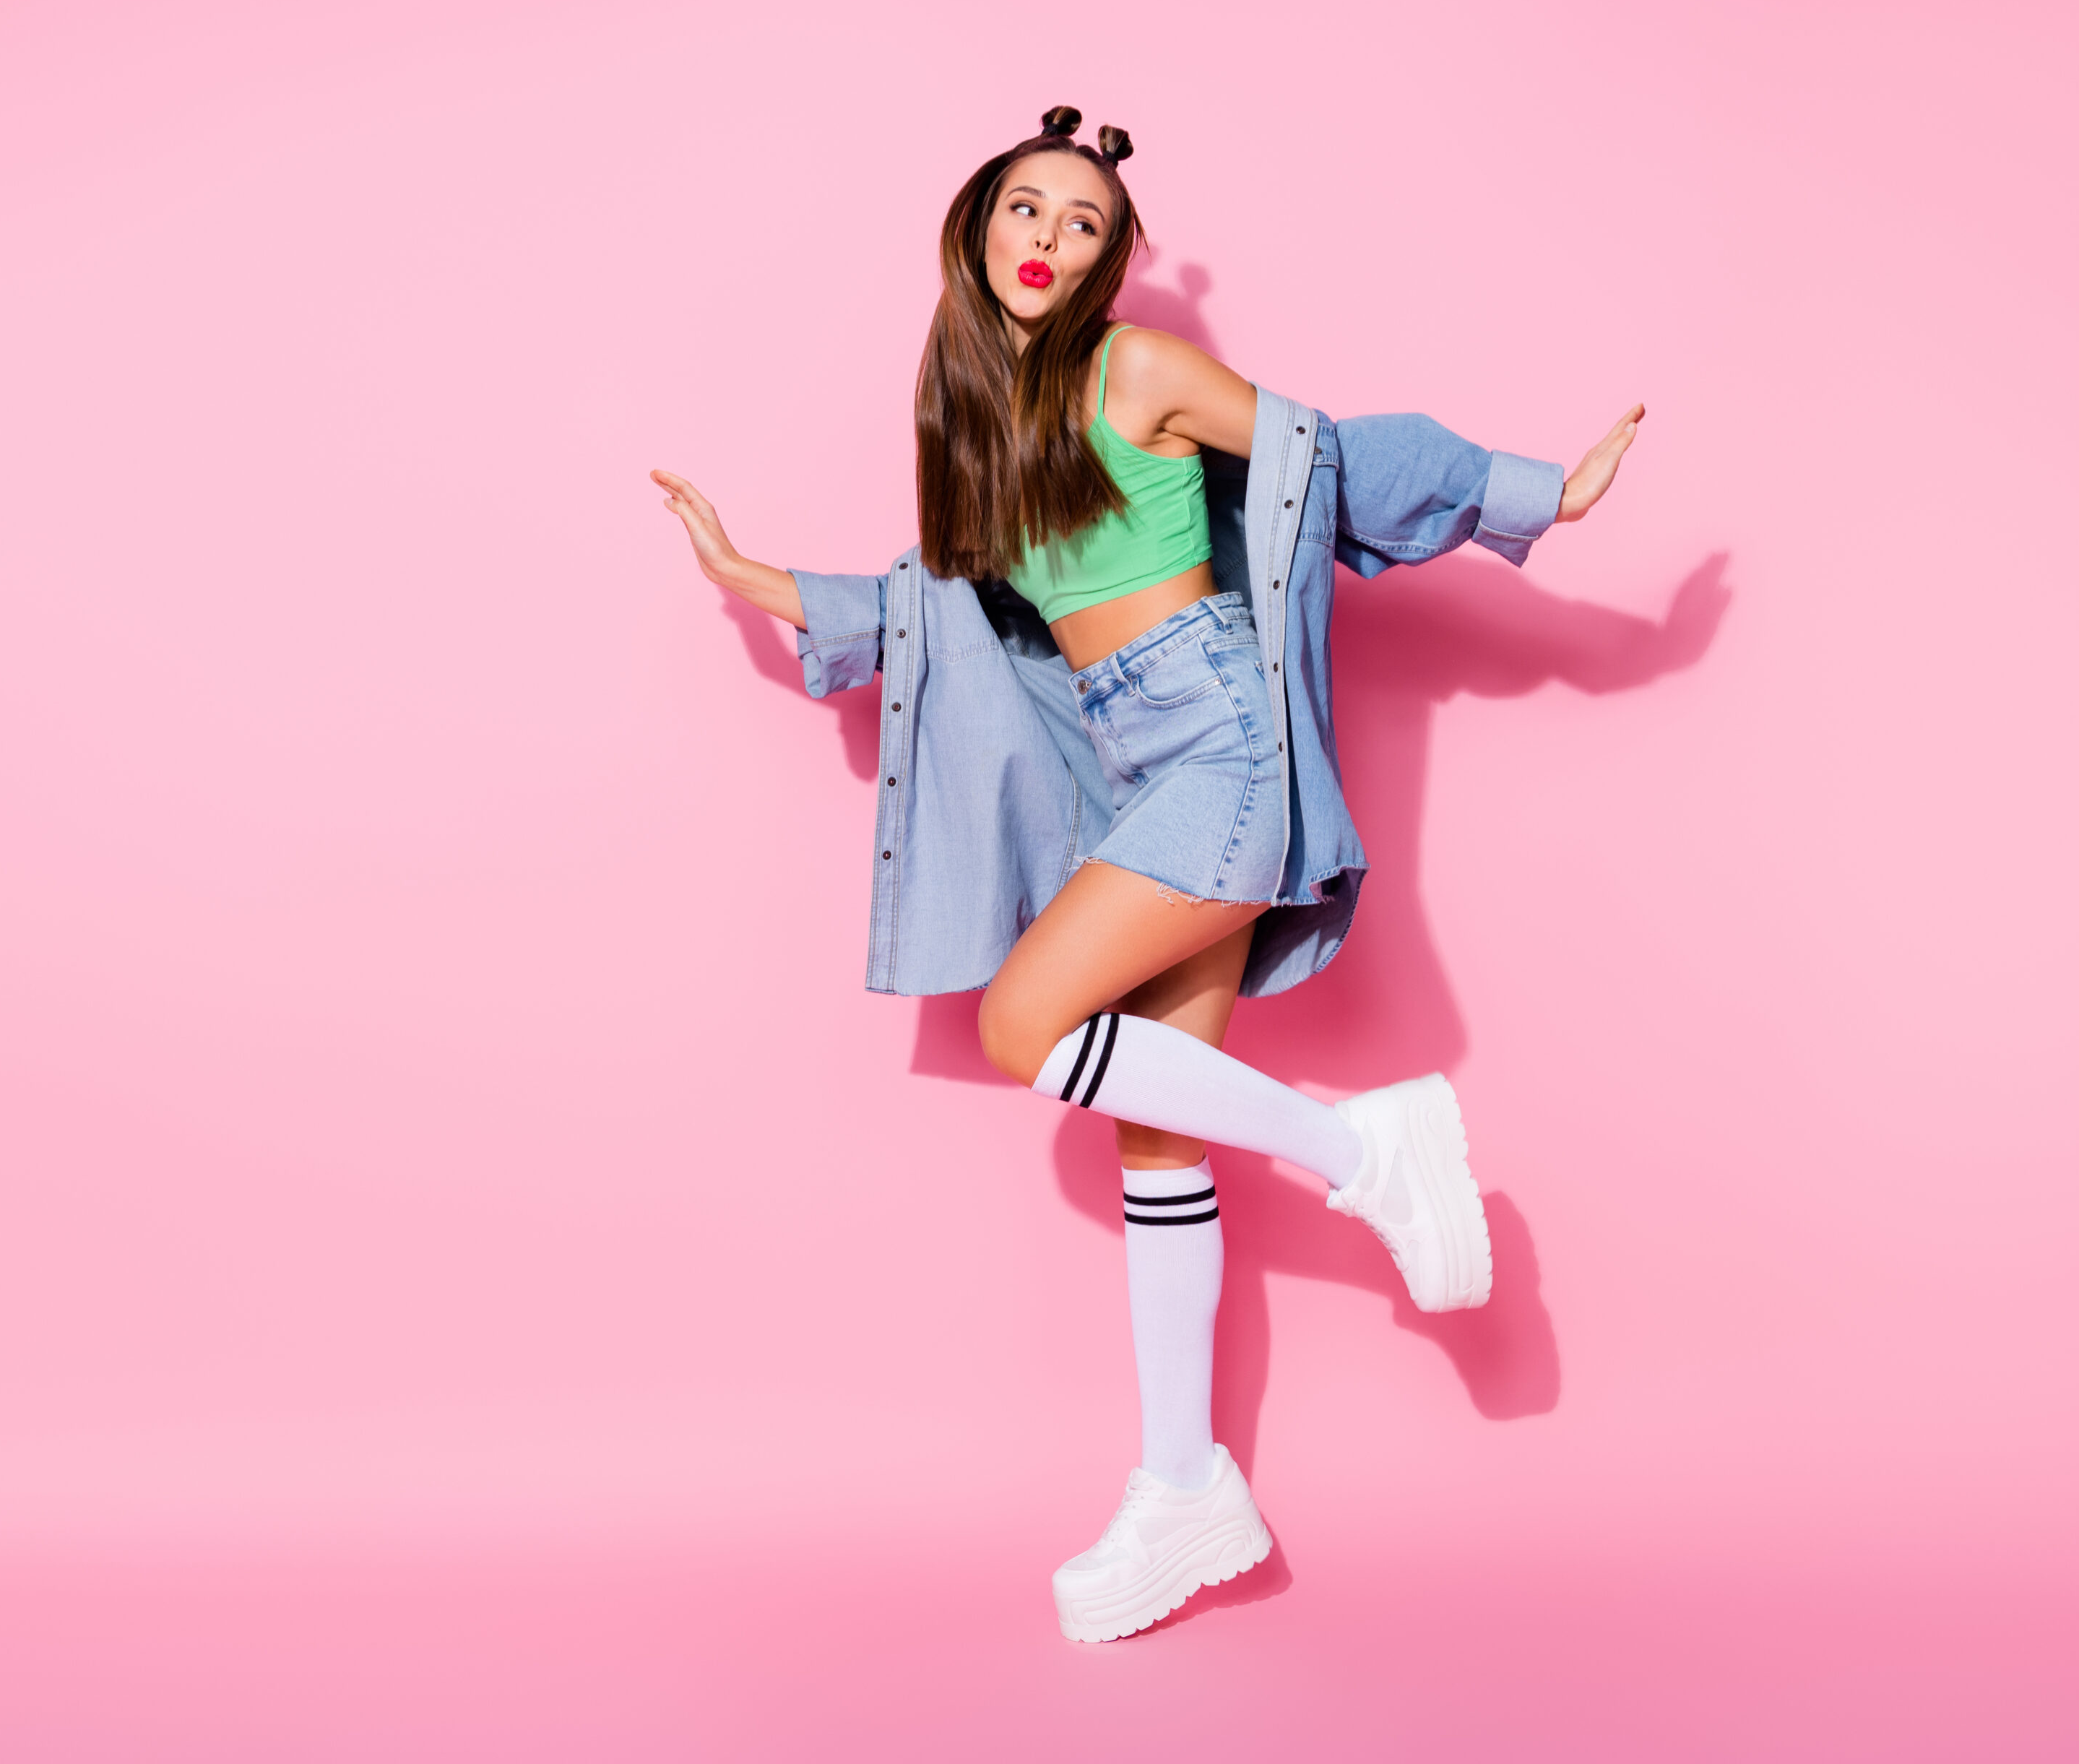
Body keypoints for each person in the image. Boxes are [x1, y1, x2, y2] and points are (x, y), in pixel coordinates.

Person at [653, 107, 1641, 1643]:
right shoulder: (989, 432)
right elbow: (944, 612)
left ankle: (1365, 1150)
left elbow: (1325, 453)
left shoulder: (1138, 372)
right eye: (1027, 209)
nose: (1050, 238)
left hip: (1227, 753)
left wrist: (1527, 491)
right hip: (1141, 772)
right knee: (1155, 1142)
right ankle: (1185, 1486)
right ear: (979, 227)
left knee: (1023, 1022)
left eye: (1085, 223)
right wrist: (761, 578)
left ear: (1112, 262)